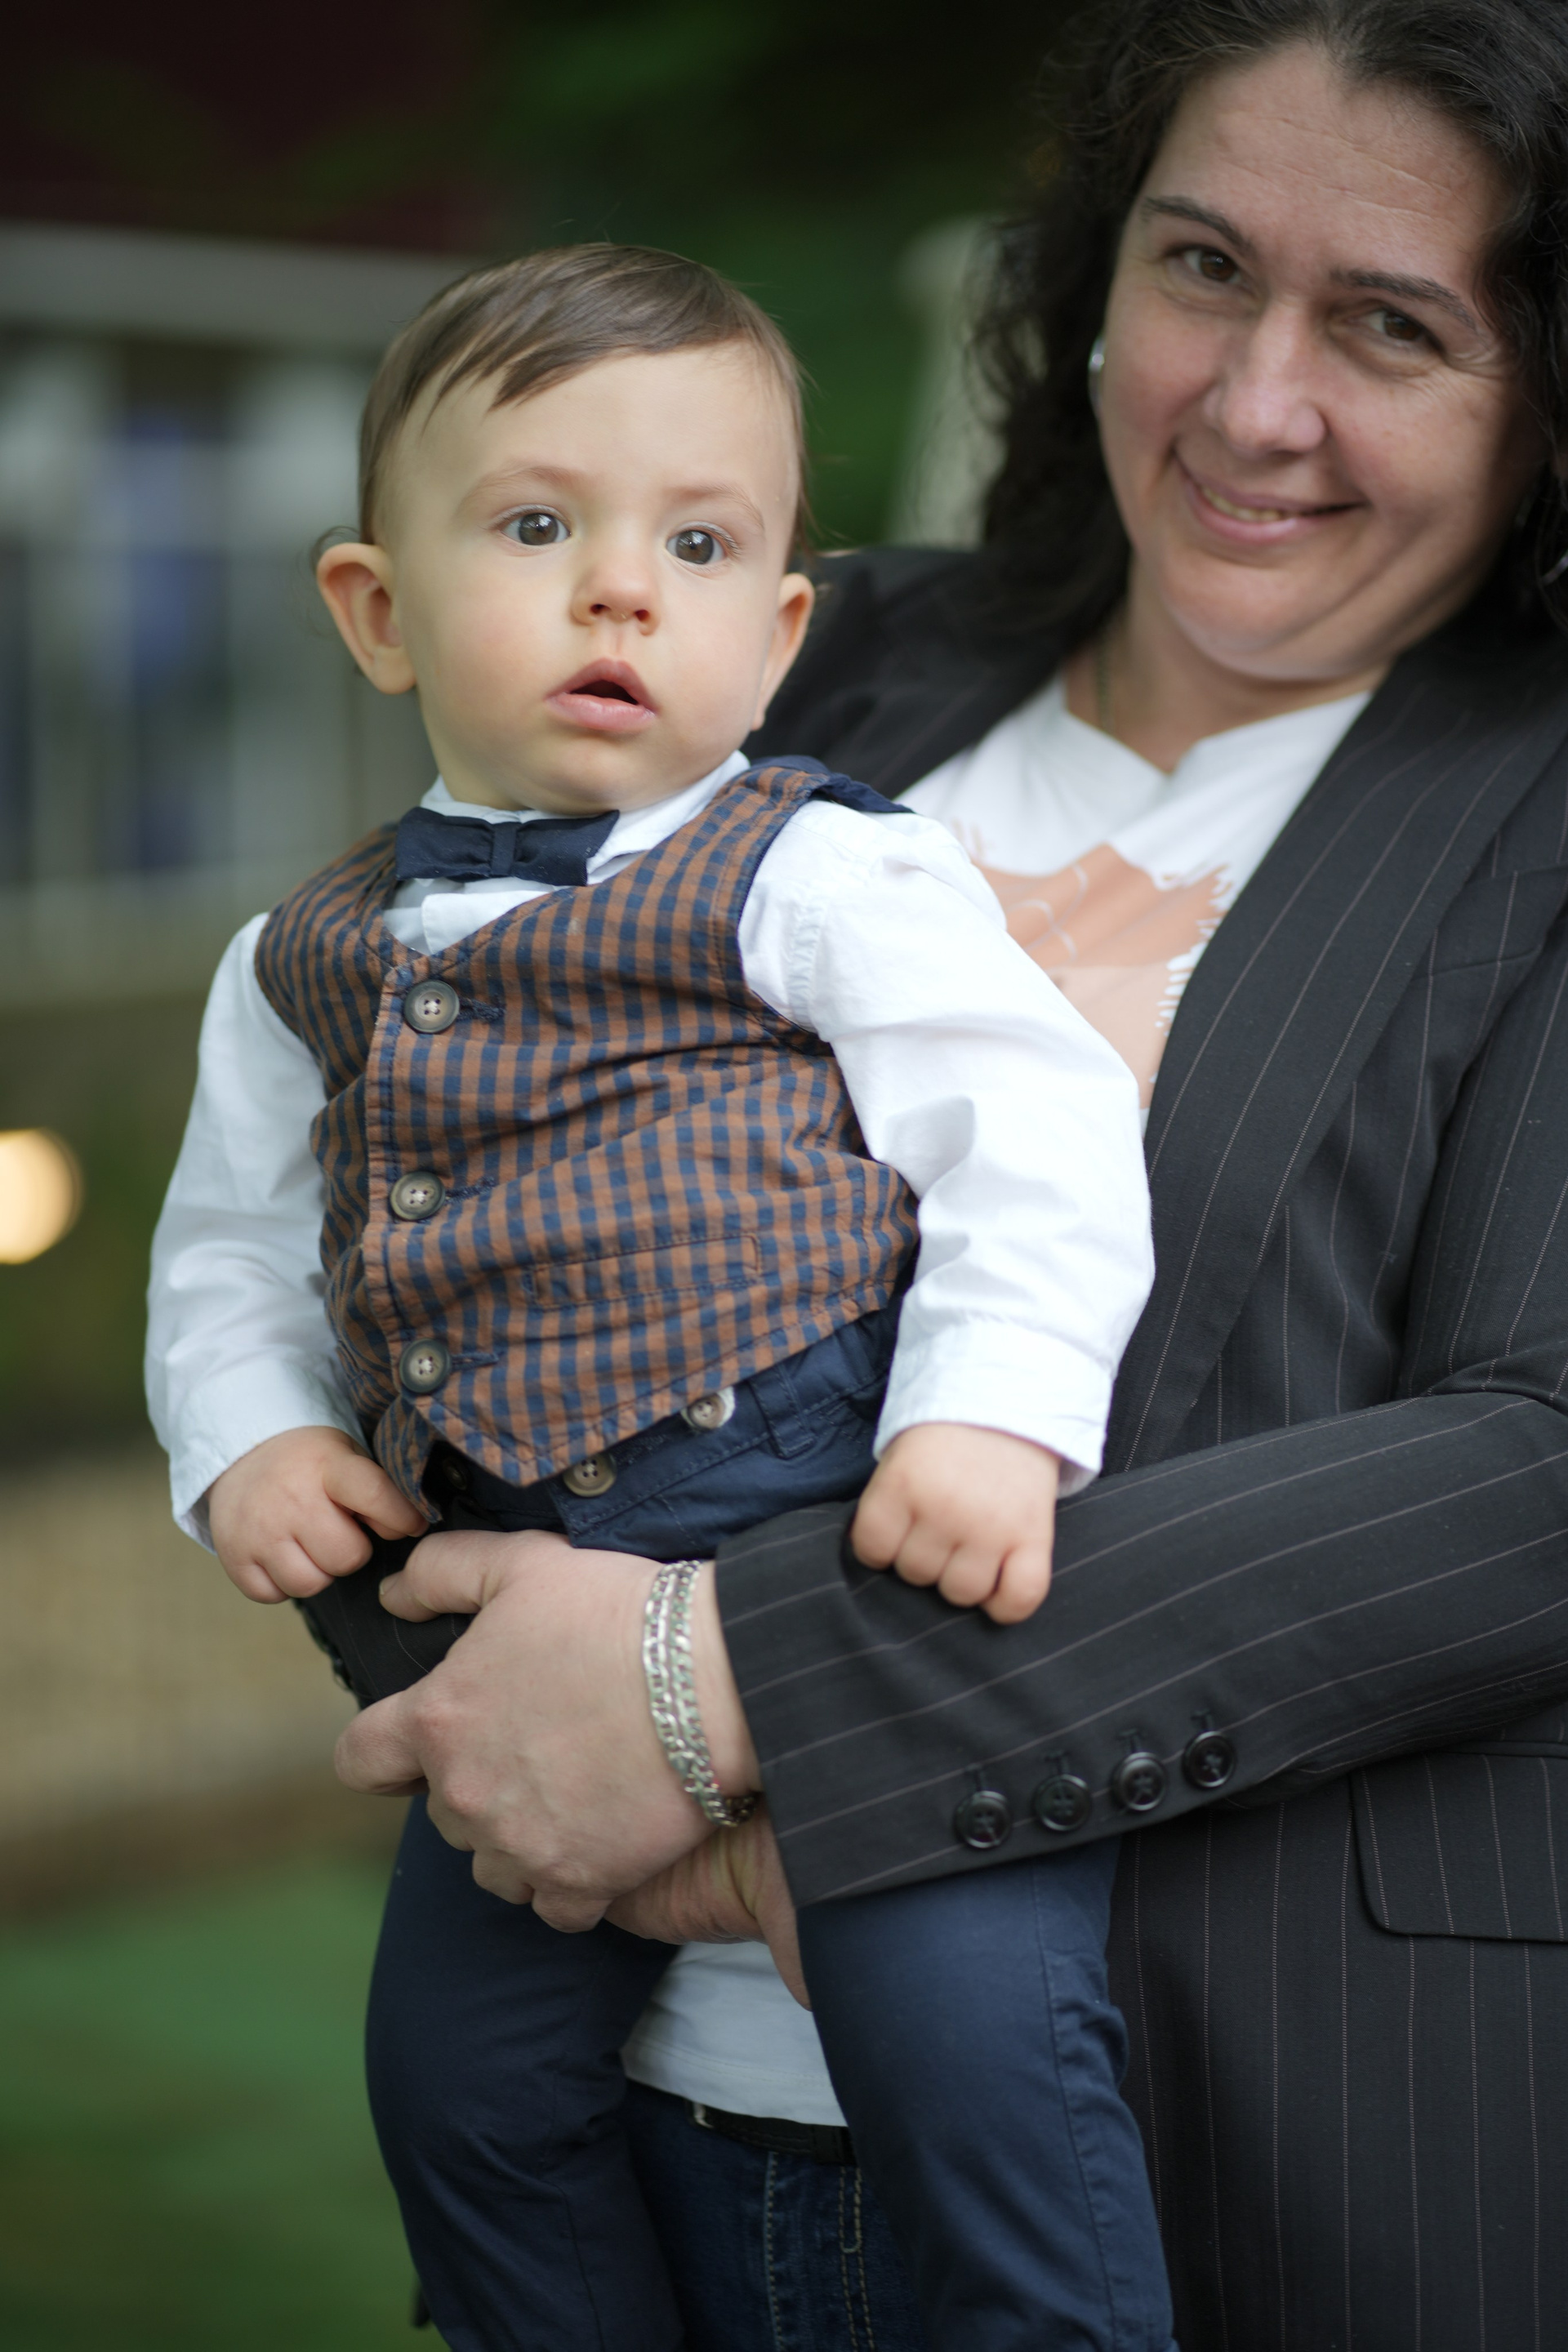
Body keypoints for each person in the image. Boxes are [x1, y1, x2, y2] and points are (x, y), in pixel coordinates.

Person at [324, 2, 1568, 2348]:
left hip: (1232, 2138)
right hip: (635, 2122)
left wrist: (727, 1690)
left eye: (1394, 326)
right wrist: (463, 1682)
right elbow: (411, 1133)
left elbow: (1537, 1471)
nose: (1255, 402)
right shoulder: (803, 643)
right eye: (1205, 267)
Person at [145, 244, 1165, 2351]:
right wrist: (250, 1430)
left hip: (827, 1533)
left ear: (778, 632)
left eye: (697, 547)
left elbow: (1034, 1131)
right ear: (377, 609)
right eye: (538, 527)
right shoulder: (296, 954)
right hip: (518, 1596)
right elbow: (231, 1240)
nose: (622, 590)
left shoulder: (821, 872)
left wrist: (992, 1413)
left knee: (965, 2025)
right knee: (456, 2087)